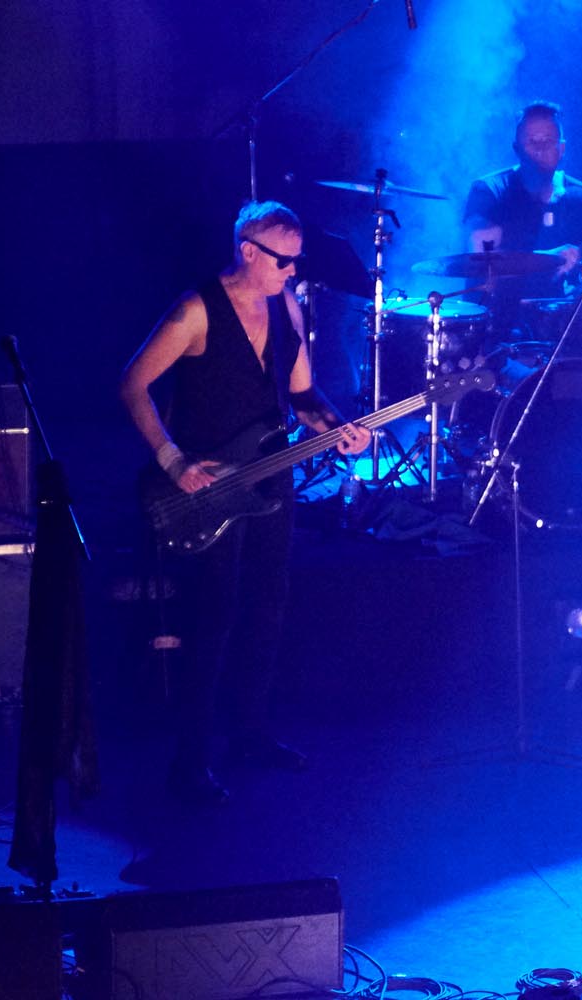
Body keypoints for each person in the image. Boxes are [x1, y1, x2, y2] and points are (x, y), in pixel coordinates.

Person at [121, 200, 371, 805]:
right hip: (208, 486)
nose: (294, 271)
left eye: (298, 260)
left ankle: (250, 735)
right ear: (249, 252)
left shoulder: (287, 306)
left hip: (271, 478)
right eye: (284, 261)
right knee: (213, 614)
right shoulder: (195, 310)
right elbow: (132, 385)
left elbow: (304, 395)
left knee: (267, 606)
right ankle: (189, 762)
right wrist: (173, 461)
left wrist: (337, 428)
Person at [463, 101, 582, 332]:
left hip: (565, 326)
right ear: (516, 148)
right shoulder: (489, 191)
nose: (541, 148)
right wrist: (550, 260)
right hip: (498, 324)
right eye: (532, 141)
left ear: (562, 148)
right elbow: (482, 259)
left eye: (548, 140)